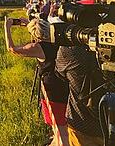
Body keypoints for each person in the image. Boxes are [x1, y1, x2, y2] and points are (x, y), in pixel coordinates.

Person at [4, 16, 69, 145]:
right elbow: (41, 33)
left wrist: (7, 28)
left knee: (60, 128)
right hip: (65, 84)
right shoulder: (58, 41)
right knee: (64, 122)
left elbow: (12, 49)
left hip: (52, 90)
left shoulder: (38, 47)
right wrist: (31, 25)